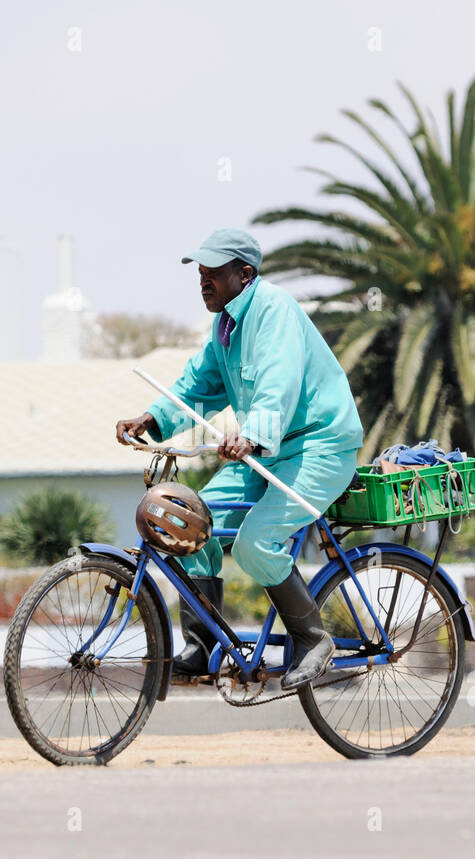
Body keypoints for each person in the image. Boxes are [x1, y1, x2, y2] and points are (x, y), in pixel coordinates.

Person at [115, 228, 363, 689]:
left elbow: (279, 382)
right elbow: (199, 384)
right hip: (269, 453)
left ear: (244, 274)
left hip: (319, 447)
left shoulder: (273, 310)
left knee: (254, 544)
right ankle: (204, 643)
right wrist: (152, 418)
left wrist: (252, 435)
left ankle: (313, 640)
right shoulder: (227, 324)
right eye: (201, 275)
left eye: (213, 274)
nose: (204, 283)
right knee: (187, 525)